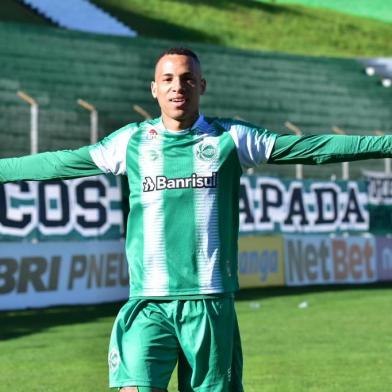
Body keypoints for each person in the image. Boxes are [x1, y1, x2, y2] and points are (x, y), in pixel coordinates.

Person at [1, 47, 391, 392]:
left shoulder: (231, 139)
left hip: (209, 303)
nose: (177, 87)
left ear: (202, 85)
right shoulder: (131, 142)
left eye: (187, 79)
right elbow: (57, 162)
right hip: (148, 302)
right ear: (153, 88)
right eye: (167, 79)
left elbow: (313, 149)